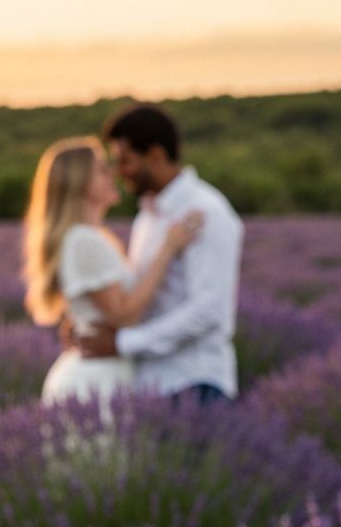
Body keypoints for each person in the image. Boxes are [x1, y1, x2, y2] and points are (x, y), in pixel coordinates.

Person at [76, 104, 245, 404]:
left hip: (193, 382)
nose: (118, 172)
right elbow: (141, 295)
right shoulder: (148, 217)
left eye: (125, 161)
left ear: (155, 155)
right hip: (150, 386)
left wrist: (123, 343)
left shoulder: (204, 212)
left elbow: (209, 310)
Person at [24, 137, 201, 409]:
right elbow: (124, 314)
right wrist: (168, 248)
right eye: (102, 169)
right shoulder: (84, 240)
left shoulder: (93, 237)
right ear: (80, 183)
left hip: (104, 376)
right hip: (96, 383)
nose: (113, 174)